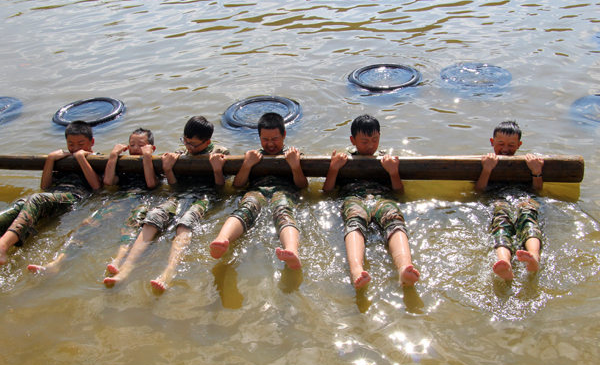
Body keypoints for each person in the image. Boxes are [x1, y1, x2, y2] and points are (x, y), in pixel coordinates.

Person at [103, 116, 229, 290]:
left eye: (193, 144)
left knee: (185, 223)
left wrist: (216, 168)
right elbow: (175, 187)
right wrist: (168, 168)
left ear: (207, 142)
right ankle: (126, 269)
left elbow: (221, 188)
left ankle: (168, 273)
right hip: (180, 195)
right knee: (153, 216)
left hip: (205, 196)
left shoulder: (220, 151)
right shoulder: (180, 152)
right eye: (185, 141)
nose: (188, 147)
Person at [27, 128, 159, 273]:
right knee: (88, 224)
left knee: (130, 226)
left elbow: (151, 184)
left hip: (143, 200)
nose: (134, 149)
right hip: (120, 199)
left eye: (140, 145)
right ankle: (57, 262)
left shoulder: (154, 164)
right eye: (131, 145)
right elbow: (108, 181)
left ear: (150, 148)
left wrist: (146, 157)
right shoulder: (125, 166)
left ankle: (118, 261)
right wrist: (114, 154)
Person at [322, 114, 419, 289]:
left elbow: (399, 193)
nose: (370, 146)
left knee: (394, 218)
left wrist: (393, 172)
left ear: (380, 137)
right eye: (364, 141)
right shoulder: (344, 159)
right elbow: (327, 191)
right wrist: (334, 167)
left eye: (375, 140)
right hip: (353, 197)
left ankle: (404, 267)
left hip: (382, 198)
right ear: (353, 140)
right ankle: (356, 270)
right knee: (354, 220)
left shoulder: (385, 158)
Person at [209, 112, 308, 270]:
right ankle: (222, 239)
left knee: (282, 209)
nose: (270, 144)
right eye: (265, 139)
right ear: (259, 137)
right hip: (257, 191)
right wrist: (247, 164)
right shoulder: (253, 155)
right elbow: (237, 185)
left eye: (275, 139)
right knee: (247, 205)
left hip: (284, 191)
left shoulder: (293, 154)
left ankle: (291, 249)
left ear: (284, 135)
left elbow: (303, 186)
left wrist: (295, 166)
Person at [0, 120, 102, 266]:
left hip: (74, 197)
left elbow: (97, 187)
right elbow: (45, 186)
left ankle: (3, 246)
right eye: (71, 144)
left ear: (91, 142)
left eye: (81, 144)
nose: (75, 148)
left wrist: (80, 158)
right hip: (52, 194)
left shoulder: (97, 158)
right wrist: (50, 159)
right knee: (21, 204)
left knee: (36, 199)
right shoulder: (64, 159)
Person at [475, 120, 544, 280]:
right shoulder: (487, 161)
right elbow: (479, 190)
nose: (505, 149)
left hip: (523, 196)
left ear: (519, 145)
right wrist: (487, 169)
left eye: (511, 145)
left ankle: (534, 256)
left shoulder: (526, 162)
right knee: (501, 219)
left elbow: (537, 190)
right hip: (498, 198)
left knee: (528, 214)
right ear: (492, 142)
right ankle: (504, 262)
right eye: (501, 143)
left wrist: (536, 171)